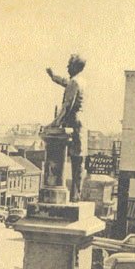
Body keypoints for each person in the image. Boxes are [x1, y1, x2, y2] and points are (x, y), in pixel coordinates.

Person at [46, 54, 87, 202]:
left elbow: (67, 105)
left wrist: (55, 123)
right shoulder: (80, 81)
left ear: (75, 66)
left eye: (69, 65)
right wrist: (53, 77)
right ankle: (76, 195)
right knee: (78, 160)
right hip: (79, 123)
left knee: (74, 159)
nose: (67, 67)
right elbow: (66, 82)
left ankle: (72, 195)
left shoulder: (74, 82)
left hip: (73, 123)